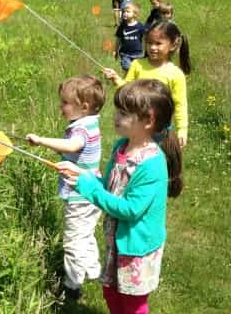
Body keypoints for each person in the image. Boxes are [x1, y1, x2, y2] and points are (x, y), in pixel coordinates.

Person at [57, 79, 183, 314]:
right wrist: (82, 175)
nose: (115, 116)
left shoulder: (152, 164)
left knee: (133, 304)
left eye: (124, 113)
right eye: (117, 109)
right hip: (116, 242)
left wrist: (90, 189)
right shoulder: (121, 147)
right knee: (111, 293)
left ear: (148, 120)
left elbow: (130, 209)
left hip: (137, 249)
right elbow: (107, 187)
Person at [26, 75, 105, 301]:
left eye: (65, 103)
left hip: (80, 194)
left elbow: (73, 145)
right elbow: (74, 151)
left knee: (73, 241)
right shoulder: (90, 122)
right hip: (92, 191)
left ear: (84, 106)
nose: (61, 107)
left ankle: (72, 286)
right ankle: (93, 271)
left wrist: (41, 140)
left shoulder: (80, 129)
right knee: (85, 233)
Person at [102, 20, 191, 148]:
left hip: (160, 130)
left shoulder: (176, 74)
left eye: (158, 43)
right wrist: (116, 79)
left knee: (155, 161)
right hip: (135, 126)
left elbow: (180, 104)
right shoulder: (137, 65)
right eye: (149, 43)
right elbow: (128, 91)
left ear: (173, 45)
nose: (152, 47)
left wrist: (182, 129)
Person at [114, 3, 146, 72]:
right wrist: (115, 50)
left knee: (138, 71)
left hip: (138, 54)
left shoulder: (140, 26)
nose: (125, 13)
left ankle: (134, 82)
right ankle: (129, 81)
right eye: (124, 11)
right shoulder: (122, 26)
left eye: (128, 12)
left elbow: (145, 39)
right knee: (128, 69)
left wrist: (146, 51)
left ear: (135, 14)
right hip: (125, 54)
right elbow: (118, 39)